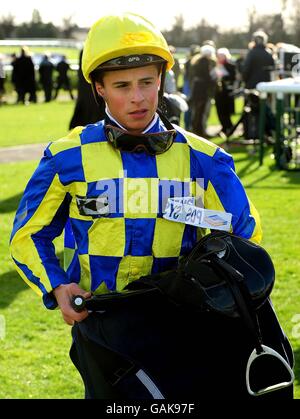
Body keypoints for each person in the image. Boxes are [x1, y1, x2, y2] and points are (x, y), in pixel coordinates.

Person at [11, 13, 293, 400]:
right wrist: (58, 286)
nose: (138, 97)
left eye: (147, 82)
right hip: (103, 327)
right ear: (99, 88)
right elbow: (28, 234)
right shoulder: (65, 156)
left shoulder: (205, 157)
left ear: (161, 79)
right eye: (122, 85)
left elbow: (244, 236)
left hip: (184, 327)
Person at [189, 44, 217, 138]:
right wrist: (214, 79)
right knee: (200, 111)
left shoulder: (197, 61)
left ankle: (196, 130)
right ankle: (200, 132)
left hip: (197, 89)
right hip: (202, 90)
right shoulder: (205, 62)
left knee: (197, 111)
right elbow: (207, 77)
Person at [214, 48, 236, 136]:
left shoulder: (231, 66)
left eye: (222, 56)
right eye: (219, 56)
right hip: (218, 92)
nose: (220, 58)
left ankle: (229, 127)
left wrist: (224, 77)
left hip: (227, 92)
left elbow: (233, 78)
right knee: (220, 110)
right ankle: (224, 126)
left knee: (226, 110)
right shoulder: (215, 65)